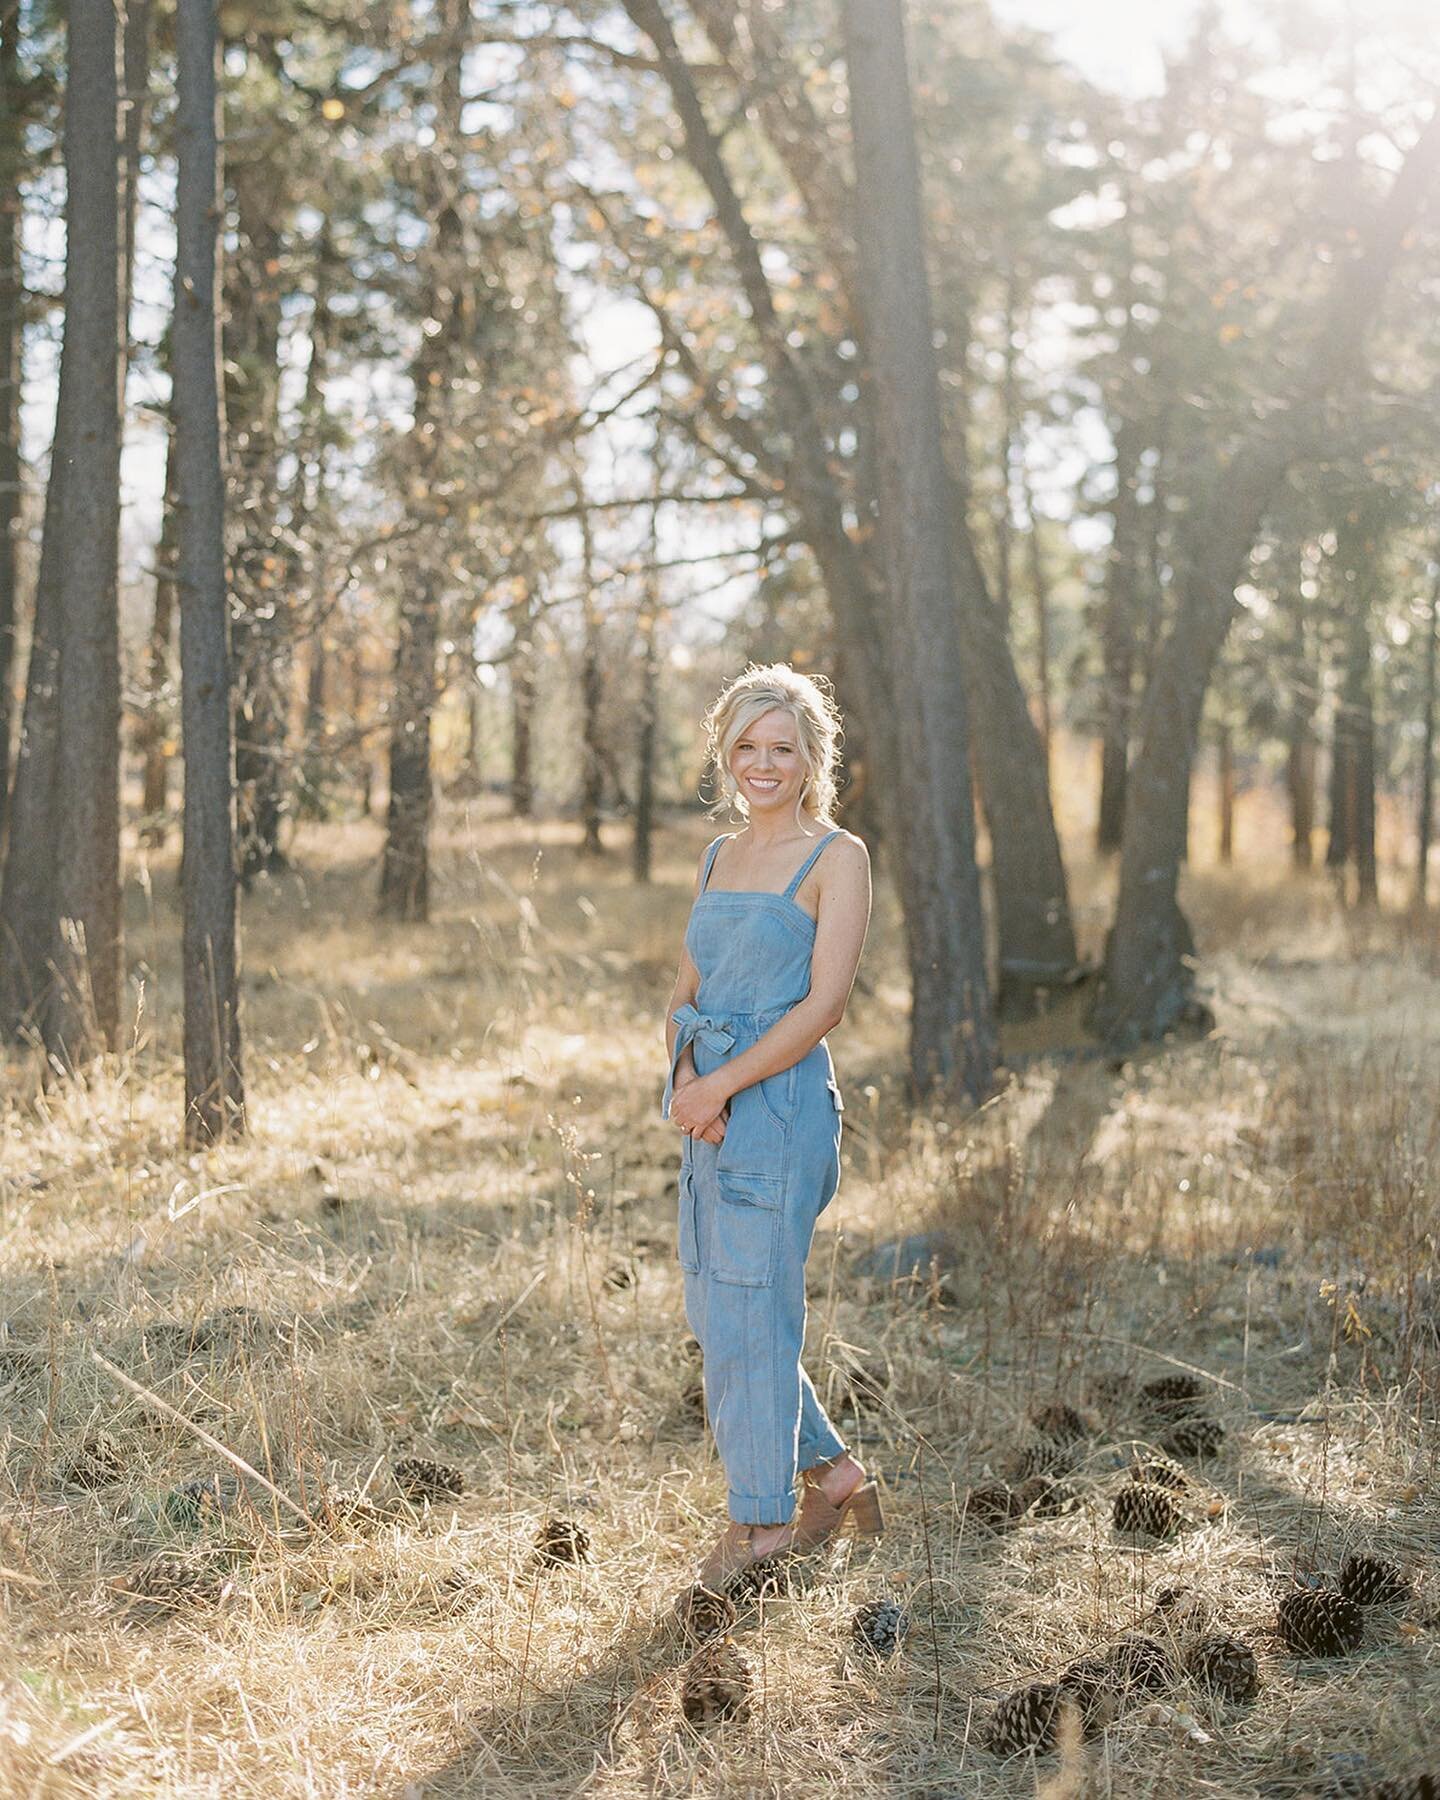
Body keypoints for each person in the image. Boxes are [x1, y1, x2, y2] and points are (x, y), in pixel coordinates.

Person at [660, 663, 883, 1593]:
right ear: (726, 753)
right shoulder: (717, 857)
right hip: (707, 1107)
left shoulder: (837, 858)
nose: (762, 763)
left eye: (781, 748)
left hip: (781, 1110)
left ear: (810, 757)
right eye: (746, 747)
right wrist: (684, 1076)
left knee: (754, 1310)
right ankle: (835, 1476)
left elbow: (824, 1006)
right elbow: (688, 986)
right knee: (721, 1314)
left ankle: (757, 1527)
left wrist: (722, 1089)